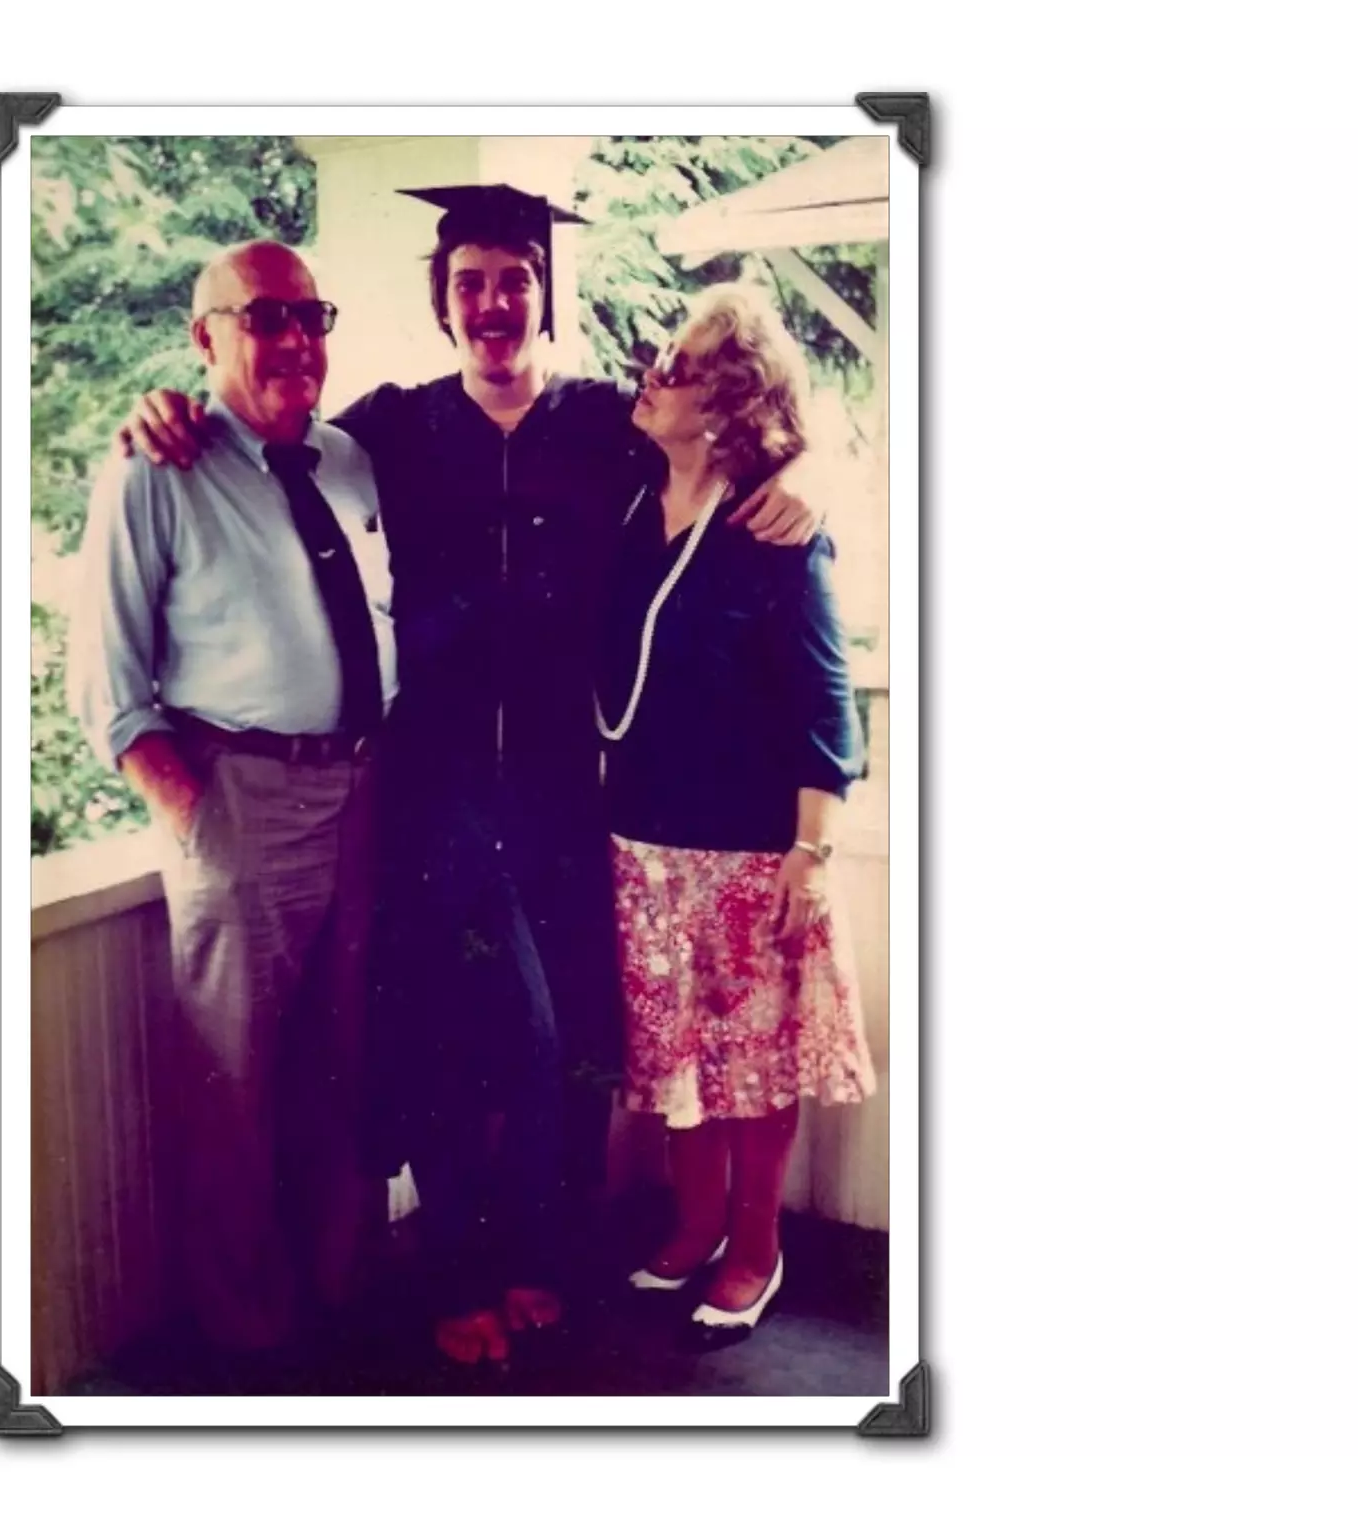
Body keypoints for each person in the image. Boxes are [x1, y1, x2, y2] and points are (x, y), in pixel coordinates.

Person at [116, 185, 830, 1368]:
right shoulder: (385, 431)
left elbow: (726, 442)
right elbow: (262, 432)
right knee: (447, 1034)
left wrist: (793, 486)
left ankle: (542, 1256)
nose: (492, 304)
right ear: (441, 306)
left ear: (542, 297)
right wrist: (160, 412)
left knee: (566, 1040)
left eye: (513, 282)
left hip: (564, 790)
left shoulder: (604, 424)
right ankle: (455, 1270)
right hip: (429, 790)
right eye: (468, 285)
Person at [67, 240, 395, 1376]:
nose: (296, 339)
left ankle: (339, 1301)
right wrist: (193, 808)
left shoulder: (349, 459)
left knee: (343, 1061)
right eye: (265, 317)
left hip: (363, 790)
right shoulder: (154, 469)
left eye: (312, 315)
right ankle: (251, 1346)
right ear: (204, 335)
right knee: (234, 1086)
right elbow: (107, 687)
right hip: (240, 799)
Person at [598, 284, 876, 1349]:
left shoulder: (775, 534)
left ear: (724, 402)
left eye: (676, 366)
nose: (649, 375)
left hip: (750, 853)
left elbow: (826, 702)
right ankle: (694, 1224)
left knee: (748, 1068)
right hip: (640, 845)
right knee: (675, 1056)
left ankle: (755, 1245)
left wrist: (812, 850)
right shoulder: (630, 500)